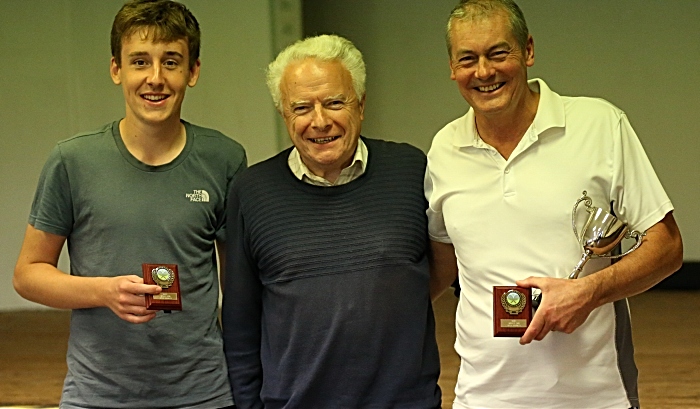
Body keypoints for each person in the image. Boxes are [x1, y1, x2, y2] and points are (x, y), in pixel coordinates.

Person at [425, 0, 683, 408]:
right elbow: (442, 262)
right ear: (452, 68)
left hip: (596, 396)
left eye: (498, 53)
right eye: (467, 59)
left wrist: (588, 292)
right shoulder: (444, 148)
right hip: (483, 395)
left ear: (527, 50)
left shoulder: (599, 124)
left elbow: (667, 247)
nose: (484, 72)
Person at [12, 0, 246, 407]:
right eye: (140, 62)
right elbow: (28, 275)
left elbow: (238, 287)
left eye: (171, 62)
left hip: (202, 394)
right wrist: (103, 292)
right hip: (97, 394)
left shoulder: (224, 159)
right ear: (116, 69)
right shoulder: (73, 161)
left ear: (193, 72)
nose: (155, 78)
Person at [222, 34, 442, 409]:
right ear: (284, 116)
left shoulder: (411, 171)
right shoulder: (251, 191)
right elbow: (241, 321)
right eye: (302, 108)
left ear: (361, 105)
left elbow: (438, 274)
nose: (319, 121)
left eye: (334, 102)